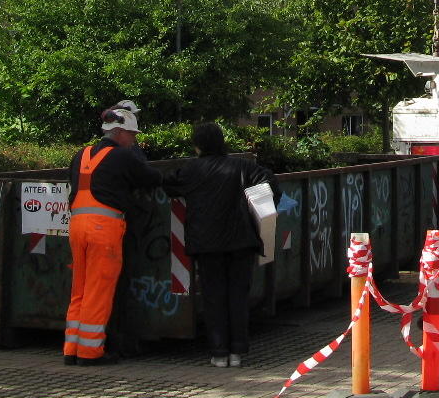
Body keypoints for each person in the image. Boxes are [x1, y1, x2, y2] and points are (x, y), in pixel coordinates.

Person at [164, 122, 279, 368]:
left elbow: (168, 184)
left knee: (214, 297)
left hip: (207, 243)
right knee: (238, 295)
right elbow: (269, 185)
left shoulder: (191, 169)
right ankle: (237, 352)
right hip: (241, 241)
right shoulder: (243, 166)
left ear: (198, 145)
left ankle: (218, 353)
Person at [63, 106, 162, 366]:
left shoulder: (80, 155)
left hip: (77, 226)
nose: (134, 140)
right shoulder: (122, 156)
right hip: (103, 229)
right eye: (132, 135)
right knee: (99, 291)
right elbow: (151, 177)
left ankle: (71, 348)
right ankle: (90, 352)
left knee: (80, 290)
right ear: (119, 133)